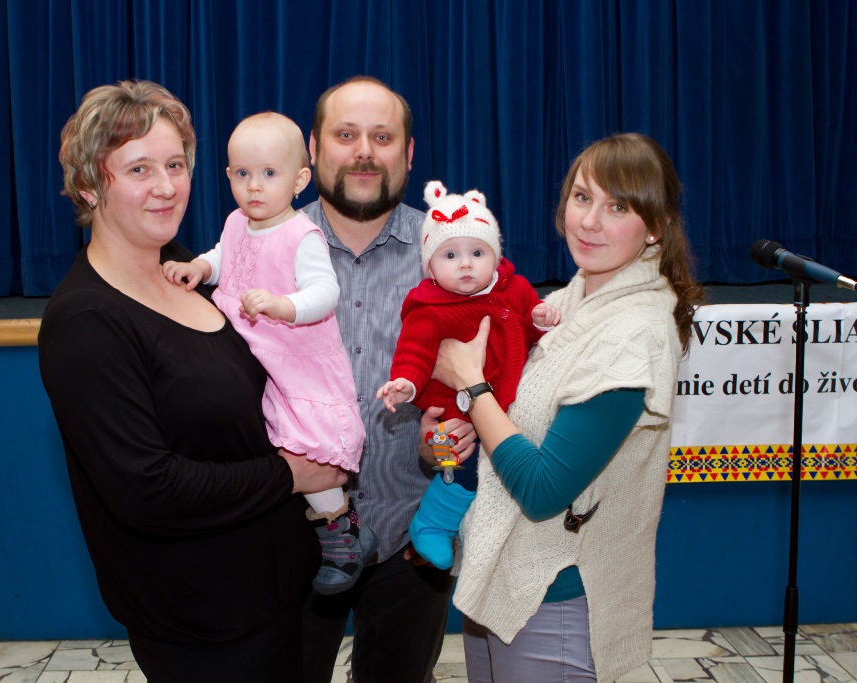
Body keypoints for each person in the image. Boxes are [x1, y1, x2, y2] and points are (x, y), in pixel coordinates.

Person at [38, 80, 344, 683]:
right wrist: (293, 474)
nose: (166, 186)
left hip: (284, 590)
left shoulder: (184, 267)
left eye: (175, 164)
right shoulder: (85, 322)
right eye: (139, 169)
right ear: (89, 186)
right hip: (204, 622)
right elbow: (147, 490)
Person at [429, 132, 704, 683]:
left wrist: (473, 387)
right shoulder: (570, 300)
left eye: (618, 207)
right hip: (501, 574)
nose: (589, 222)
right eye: (582, 198)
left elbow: (543, 491)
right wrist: (455, 429)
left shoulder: (632, 334)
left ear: (655, 226)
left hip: (554, 595)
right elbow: (518, 426)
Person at [298, 75, 476, 683]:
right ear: (314, 149)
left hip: (413, 537)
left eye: (382, 136)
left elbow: (490, 372)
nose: (364, 152)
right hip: (295, 539)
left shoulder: (454, 254)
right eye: (345, 135)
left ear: (409, 152)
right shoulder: (264, 251)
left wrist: (459, 427)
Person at [161, 112, 374, 595]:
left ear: (299, 180)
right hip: (252, 351)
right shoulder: (238, 221)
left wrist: (284, 306)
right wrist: (201, 268)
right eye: (242, 173)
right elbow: (226, 255)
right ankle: (339, 528)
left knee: (307, 443)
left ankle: (340, 532)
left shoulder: (302, 235)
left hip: (296, 358)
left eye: (269, 173)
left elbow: (326, 292)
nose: (254, 186)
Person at [375, 180, 559, 571]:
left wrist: (541, 320)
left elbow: (533, 331)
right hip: (455, 409)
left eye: (477, 252)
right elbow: (414, 352)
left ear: (495, 255)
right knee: (461, 463)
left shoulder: (514, 288)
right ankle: (433, 523)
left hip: (509, 405)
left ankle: (470, 531)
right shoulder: (429, 308)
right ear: (429, 266)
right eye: (450, 255)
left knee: (513, 468)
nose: (465, 264)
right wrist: (406, 382)